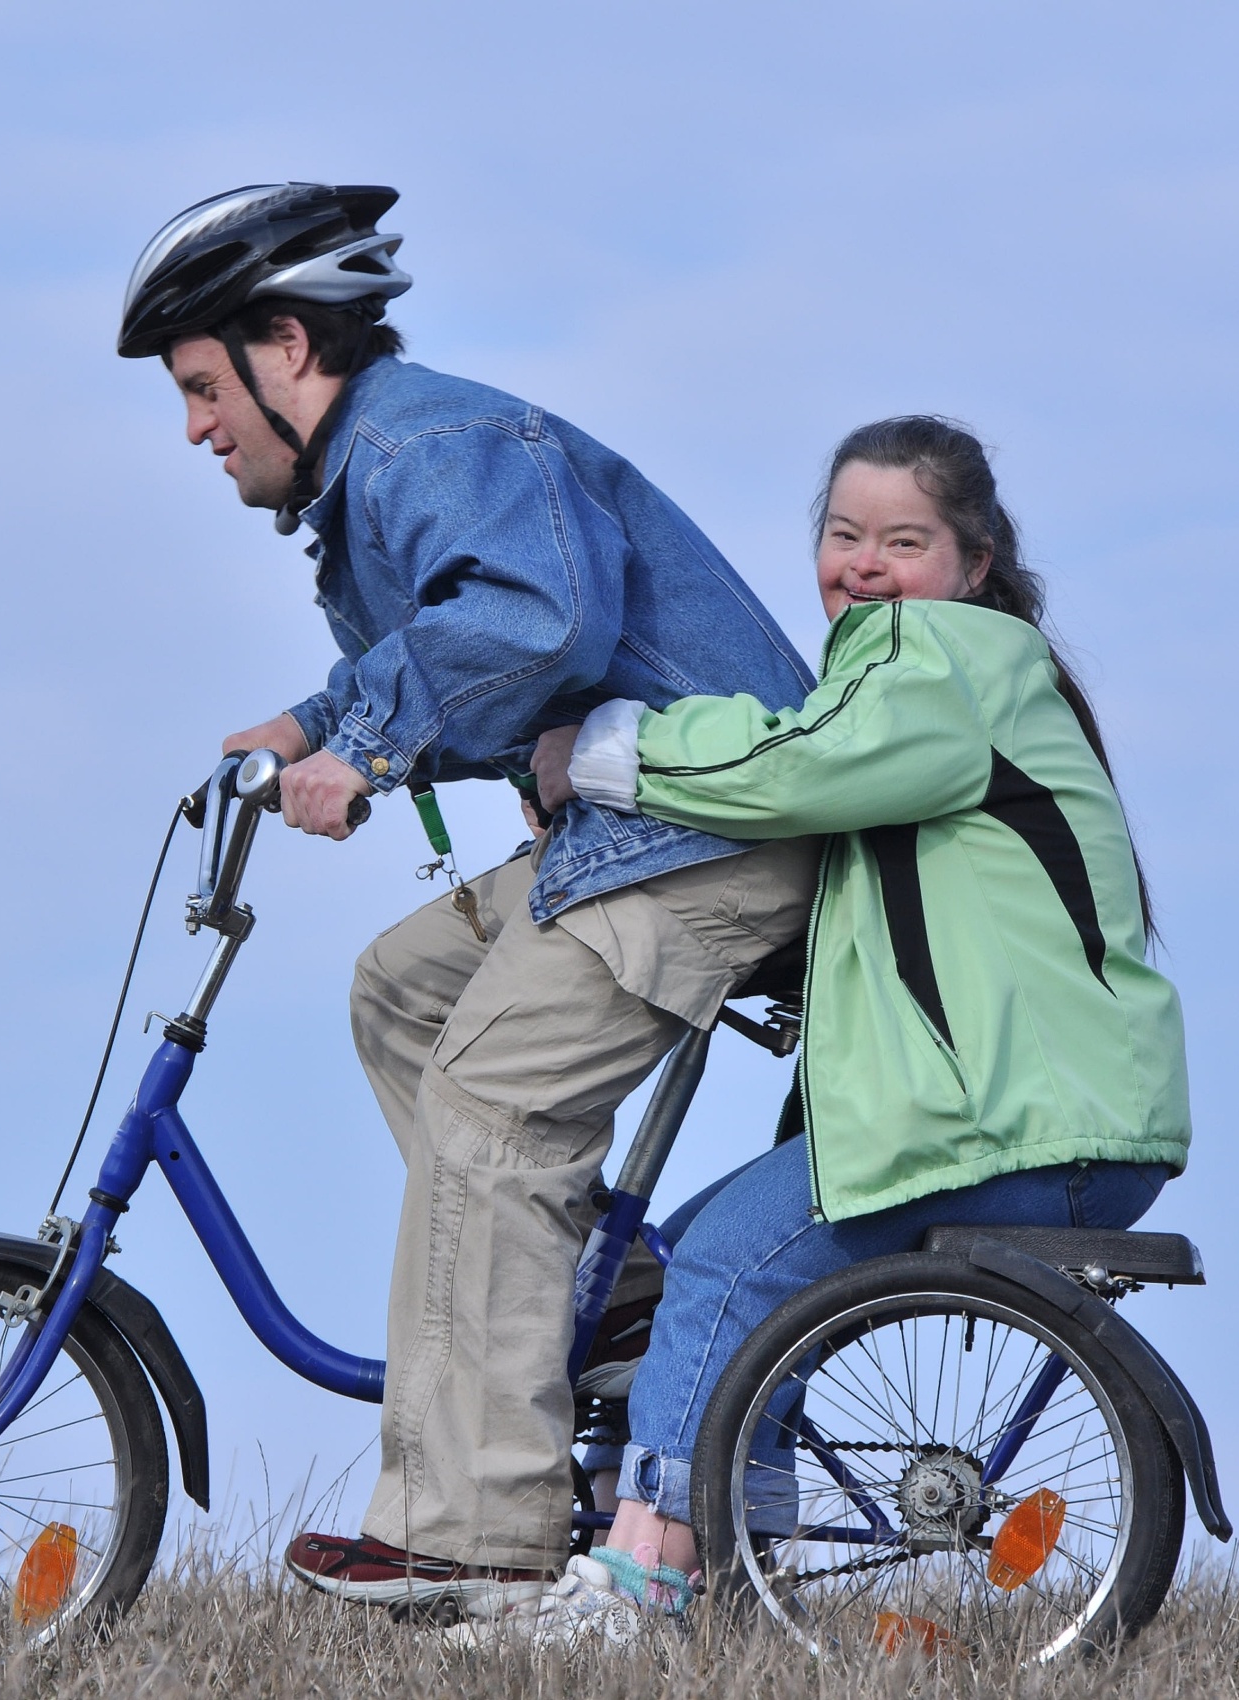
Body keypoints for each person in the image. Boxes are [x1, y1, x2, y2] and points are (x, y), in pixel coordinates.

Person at [117, 184, 823, 1614]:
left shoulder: (430, 440)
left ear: (286, 344)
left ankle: (473, 1536)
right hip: (628, 839)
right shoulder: (377, 475)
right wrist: (310, 726)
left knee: (492, 1110)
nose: (197, 428)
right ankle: (613, 1313)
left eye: (203, 388)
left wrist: (366, 743)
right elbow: (467, 634)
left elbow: (533, 614)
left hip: (712, 833)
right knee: (403, 989)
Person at [490, 416, 1193, 1645]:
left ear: (972, 560)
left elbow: (802, 761)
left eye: (903, 539)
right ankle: (742, 1544)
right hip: (1055, 1121)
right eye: (842, 534)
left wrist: (612, 749)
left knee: (717, 1272)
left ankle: (644, 1572)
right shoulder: (962, 670)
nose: (863, 563)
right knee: (710, 1235)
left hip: (1015, 1127)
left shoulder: (944, 660)